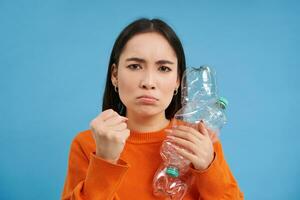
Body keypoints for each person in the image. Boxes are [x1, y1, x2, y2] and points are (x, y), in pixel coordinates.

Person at [61, 18, 244, 200]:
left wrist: (207, 168)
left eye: (163, 68)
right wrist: (105, 160)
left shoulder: (198, 140)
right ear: (115, 75)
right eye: (135, 66)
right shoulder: (88, 145)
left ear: (178, 81)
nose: (148, 82)